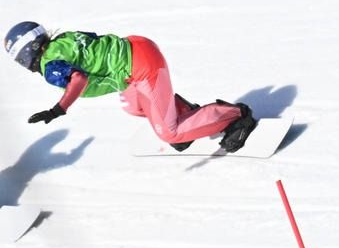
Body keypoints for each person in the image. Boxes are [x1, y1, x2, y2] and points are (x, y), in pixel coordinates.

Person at [4, 21, 258, 153]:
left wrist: (58, 110)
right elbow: (94, 43)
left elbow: (78, 79)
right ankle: (183, 112)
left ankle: (236, 116)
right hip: (137, 50)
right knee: (133, 106)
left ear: (26, 52)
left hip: (142, 68)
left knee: (170, 133)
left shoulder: (50, 65)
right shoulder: (63, 39)